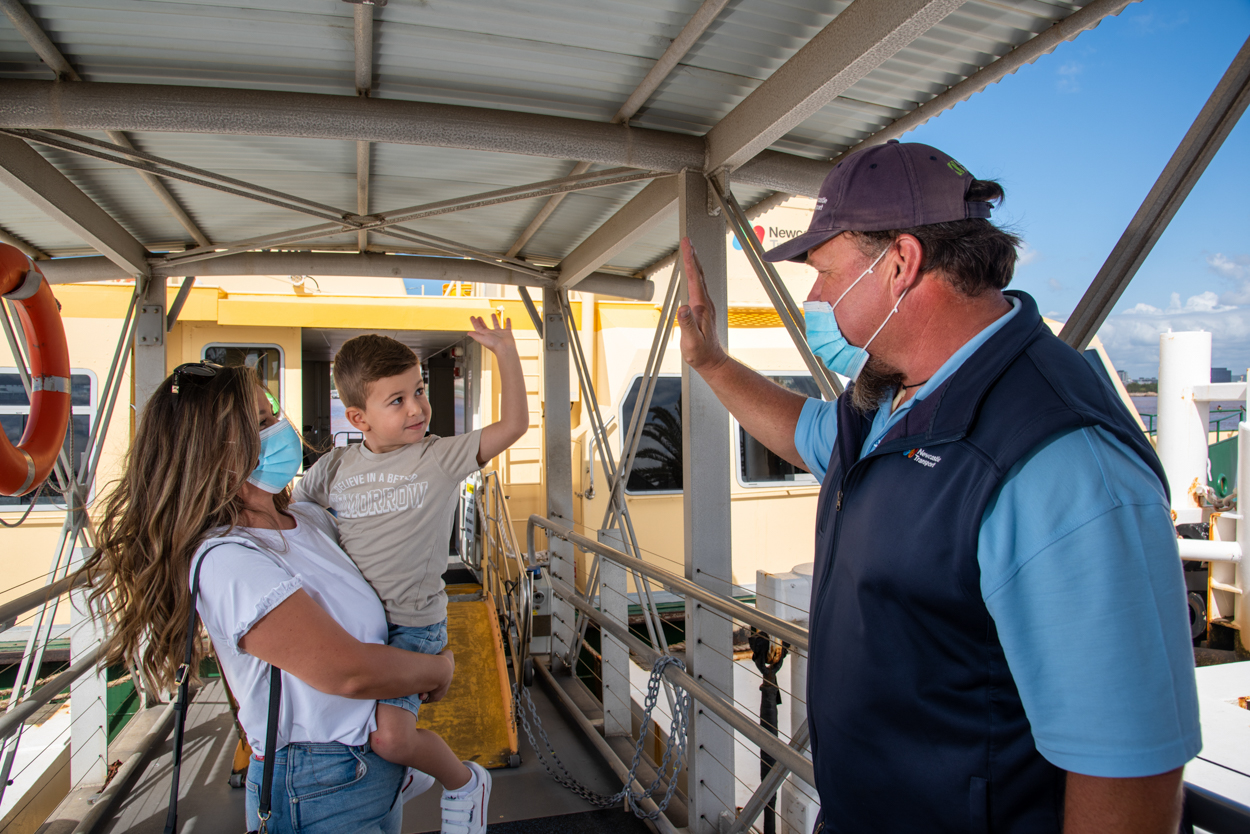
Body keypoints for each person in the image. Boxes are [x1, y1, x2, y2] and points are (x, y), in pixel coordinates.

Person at [678, 140, 1200, 833]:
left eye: (826, 272)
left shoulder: (1060, 461)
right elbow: (803, 432)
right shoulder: (892, 397)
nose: (815, 296)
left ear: (900, 262)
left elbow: (1127, 773)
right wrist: (711, 362)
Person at [86, 363, 455, 833]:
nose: (281, 428)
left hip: (372, 766)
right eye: (261, 423)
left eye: (272, 413)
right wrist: (438, 668)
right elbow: (347, 671)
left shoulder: (306, 518)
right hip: (317, 780)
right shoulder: (226, 557)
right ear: (215, 451)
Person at [292, 315, 527, 833]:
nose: (418, 407)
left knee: (390, 739)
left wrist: (506, 353)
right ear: (359, 417)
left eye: (418, 390)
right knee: (349, 727)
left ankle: (465, 783)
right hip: (355, 628)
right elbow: (296, 519)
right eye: (396, 400)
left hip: (411, 626)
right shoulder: (333, 468)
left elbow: (513, 427)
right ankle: (405, 775)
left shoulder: (438, 457)